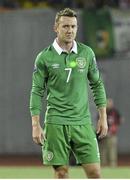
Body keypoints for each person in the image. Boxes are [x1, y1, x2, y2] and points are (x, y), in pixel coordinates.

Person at [30, 8, 108, 178]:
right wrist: (36, 125)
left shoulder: (86, 53)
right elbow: (36, 91)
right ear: (56, 28)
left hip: (82, 123)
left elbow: (97, 84)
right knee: (62, 173)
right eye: (65, 26)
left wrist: (103, 116)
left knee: (95, 173)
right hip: (55, 123)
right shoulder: (44, 57)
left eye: (73, 26)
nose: (70, 30)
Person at [98, 98, 123, 167]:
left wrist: (115, 127)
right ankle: (103, 165)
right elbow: (99, 122)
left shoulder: (115, 111)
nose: (109, 105)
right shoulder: (103, 112)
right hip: (103, 135)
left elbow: (120, 120)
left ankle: (113, 165)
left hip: (112, 135)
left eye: (110, 103)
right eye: (107, 103)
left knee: (112, 150)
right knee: (103, 150)